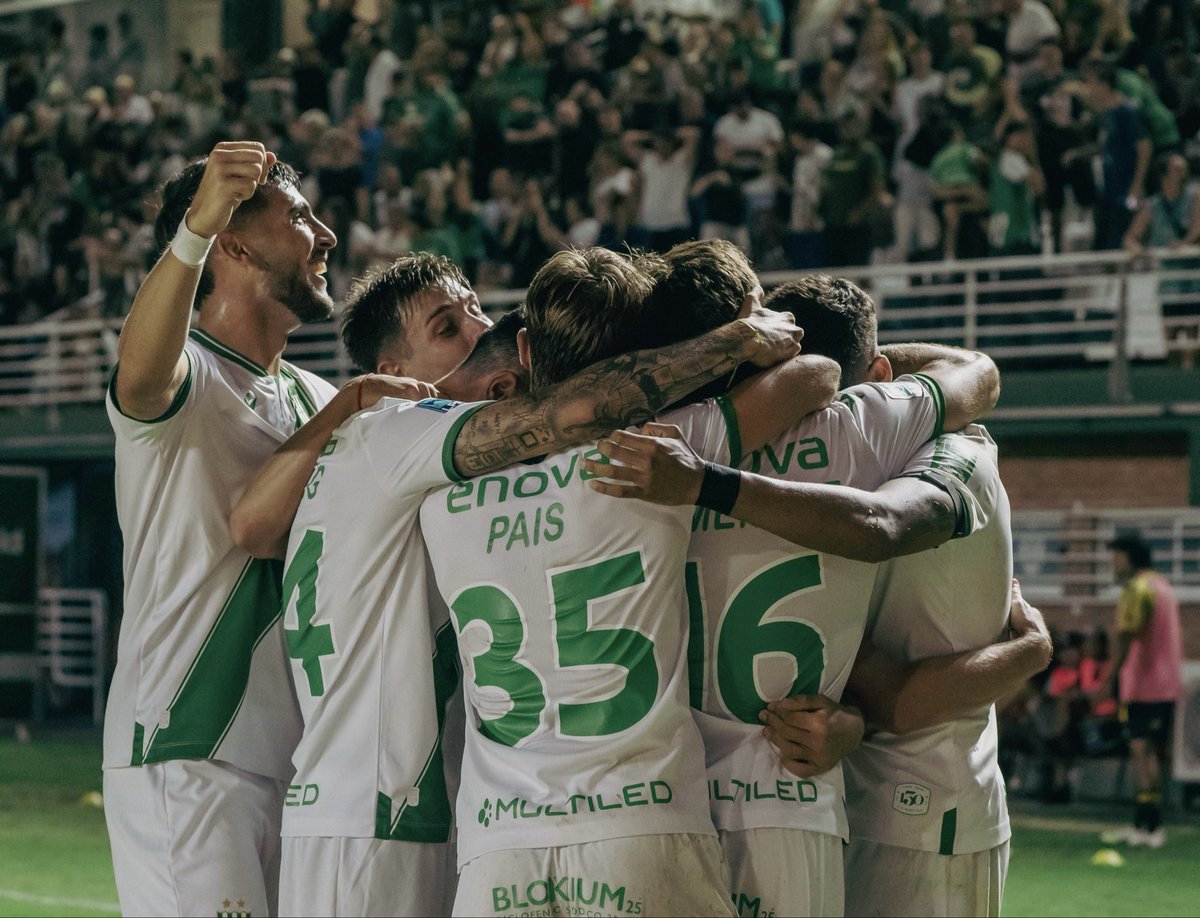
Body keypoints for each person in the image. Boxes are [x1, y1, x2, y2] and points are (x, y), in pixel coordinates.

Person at [232, 249, 810, 916]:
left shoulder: (434, 485)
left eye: (476, 309)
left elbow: (250, 525)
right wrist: (735, 339)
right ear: (389, 374)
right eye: (448, 328)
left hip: (441, 818)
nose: (481, 330)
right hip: (387, 811)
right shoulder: (408, 434)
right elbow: (578, 411)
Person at [419, 247, 840, 918]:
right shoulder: (655, 449)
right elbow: (815, 377)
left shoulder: (441, 494)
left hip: (499, 844)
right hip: (640, 824)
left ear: (524, 349)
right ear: (644, 356)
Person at [583, 253, 1000, 918]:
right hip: (783, 787)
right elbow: (975, 373)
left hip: (641, 798)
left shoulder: (618, 451)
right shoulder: (854, 426)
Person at [101, 142, 428, 917]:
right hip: (189, 744)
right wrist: (195, 229)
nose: (327, 236)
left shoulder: (321, 394)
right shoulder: (189, 377)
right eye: (301, 217)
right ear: (236, 244)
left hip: (302, 757)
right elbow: (140, 375)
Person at [1100, 533, 1184, 848]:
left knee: (1140, 751)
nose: (1112, 563)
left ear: (1129, 557)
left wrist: (1109, 678)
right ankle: (1147, 824)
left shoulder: (1138, 589)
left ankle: (1148, 826)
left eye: (1116, 556)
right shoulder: (1164, 587)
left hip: (1144, 685)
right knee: (1151, 753)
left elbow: (1125, 635)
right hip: (1166, 685)